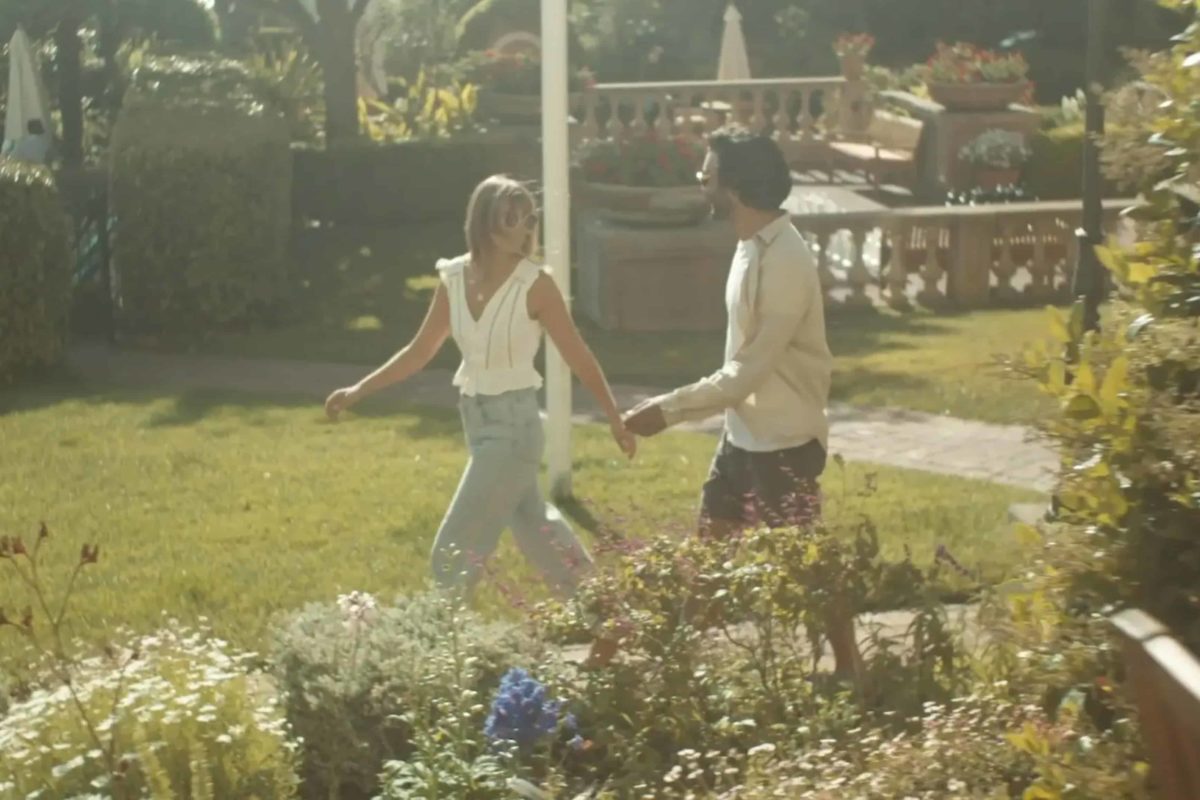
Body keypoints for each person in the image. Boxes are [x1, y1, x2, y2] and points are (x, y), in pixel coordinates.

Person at [622, 127, 865, 685]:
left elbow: (745, 373)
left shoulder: (786, 263)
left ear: (734, 189)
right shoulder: (748, 245)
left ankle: (853, 671)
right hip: (741, 437)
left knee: (810, 569)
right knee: (705, 562)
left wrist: (666, 410)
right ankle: (676, 674)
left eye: (707, 176)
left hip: (784, 442)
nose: (700, 184)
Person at [325, 175, 636, 598]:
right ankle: (598, 606)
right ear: (485, 220)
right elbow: (419, 351)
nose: (525, 228)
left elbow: (578, 356)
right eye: (514, 217)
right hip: (476, 420)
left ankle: (440, 636)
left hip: (515, 426)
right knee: (535, 523)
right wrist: (358, 389)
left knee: (456, 542)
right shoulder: (453, 278)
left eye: (530, 218)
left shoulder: (535, 284)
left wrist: (615, 418)